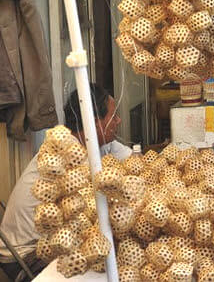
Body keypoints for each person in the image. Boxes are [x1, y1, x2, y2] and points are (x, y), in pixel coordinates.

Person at [0, 84, 131, 279]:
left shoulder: (96, 143)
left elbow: (133, 160)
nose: (119, 121)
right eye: (113, 117)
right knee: (104, 262)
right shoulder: (65, 154)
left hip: (53, 240)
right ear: (94, 124)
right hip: (26, 255)